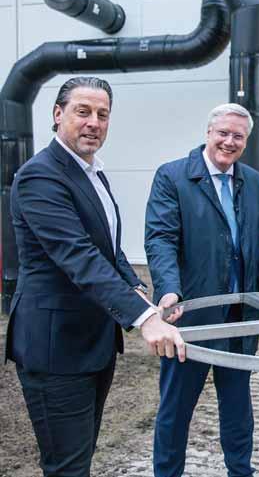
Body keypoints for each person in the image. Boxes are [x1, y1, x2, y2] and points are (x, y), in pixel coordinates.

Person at [5, 76, 185, 477]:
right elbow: (78, 256)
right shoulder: (40, 176)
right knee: (67, 468)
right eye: (82, 111)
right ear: (58, 114)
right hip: (55, 348)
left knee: (81, 458)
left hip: (93, 343)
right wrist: (144, 319)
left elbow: (107, 246)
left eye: (103, 115)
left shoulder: (92, 172)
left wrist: (137, 291)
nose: (94, 123)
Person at [145, 102, 259, 477]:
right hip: (191, 318)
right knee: (175, 411)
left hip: (241, 319)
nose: (229, 142)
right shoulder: (173, 176)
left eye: (238, 136)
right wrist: (169, 290)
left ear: (246, 140)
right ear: (208, 133)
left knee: (238, 410)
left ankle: (240, 471)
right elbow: (160, 239)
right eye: (223, 133)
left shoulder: (252, 180)